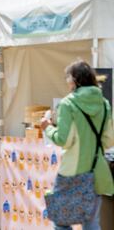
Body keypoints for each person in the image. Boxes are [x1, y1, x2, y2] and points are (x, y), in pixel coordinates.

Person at [41, 60, 114, 230]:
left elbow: (62, 140)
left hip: (71, 173)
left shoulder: (68, 104)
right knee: (91, 223)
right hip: (97, 171)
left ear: (74, 80)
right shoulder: (104, 104)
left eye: (68, 78)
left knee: (61, 222)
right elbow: (110, 140)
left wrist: (47, 127)